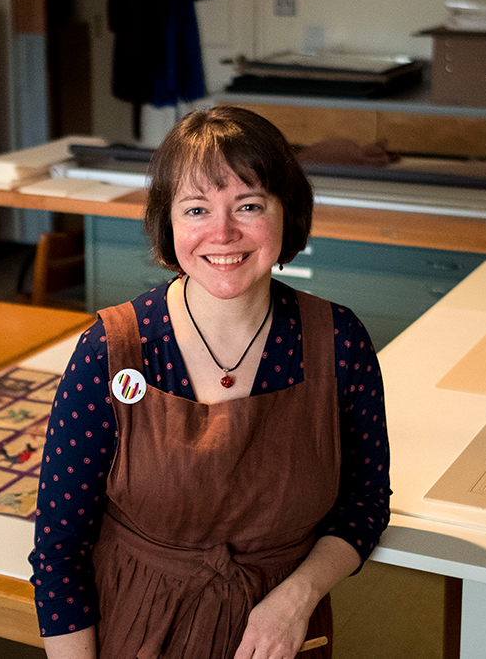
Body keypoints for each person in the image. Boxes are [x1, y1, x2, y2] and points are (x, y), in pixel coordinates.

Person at [29, 105, 390, 659]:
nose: (222, 233)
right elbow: (59, 552)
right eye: (196, 209)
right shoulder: (111, 351)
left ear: (286, 214)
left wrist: (299, 595)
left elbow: (364, 505)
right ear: (167, 223)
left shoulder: (339, 341)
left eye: (248, 205)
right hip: (138, 631)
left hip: (282, 639)